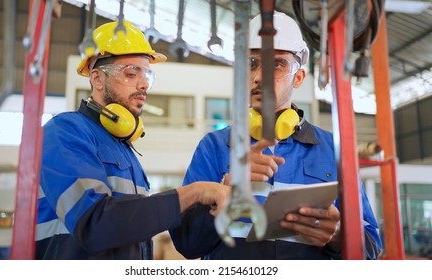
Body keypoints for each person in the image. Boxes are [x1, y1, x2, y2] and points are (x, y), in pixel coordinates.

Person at [170, 12, 383, 260]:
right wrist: (226, 189)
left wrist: (337, 236)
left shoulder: (332, 151)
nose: (259, 76)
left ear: (299, 78)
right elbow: (186, 243)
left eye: (278, 64)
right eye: (251, 63)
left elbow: (371, 249)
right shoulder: (214, 147)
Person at [35, 20, 229, 260]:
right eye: (130, 73)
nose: (144, 84)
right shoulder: (65, 132)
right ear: (97, 79)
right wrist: (195, 193)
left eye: (147, 75)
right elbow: (95, 225)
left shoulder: (125, 150)